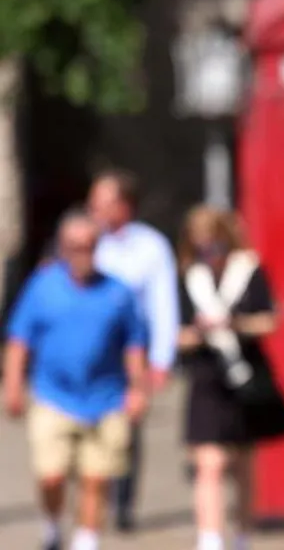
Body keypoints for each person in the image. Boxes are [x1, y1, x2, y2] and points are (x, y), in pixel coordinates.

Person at [2, 210, 148, 550]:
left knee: (95, 478)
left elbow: (134, 345)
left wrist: (138, 389)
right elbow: (19, 340)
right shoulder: (43, 286)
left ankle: (87, 538)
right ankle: (52, 523)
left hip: (106, 397)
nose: (83, 254)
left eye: (90, 246)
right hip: (54, 395)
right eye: (75, 247)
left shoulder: (118, 292)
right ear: (63, 248)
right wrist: (12, 385)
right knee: (51, 474)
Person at [176, 206, 284, 550]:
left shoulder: (248, 270)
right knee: (209, 463)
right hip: (206, 374)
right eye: (200, 243)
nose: (207, 250)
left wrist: (234, 324)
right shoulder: (189, 276)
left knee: (243, 462)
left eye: (212, 242)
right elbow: (173, 333)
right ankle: (210, 540)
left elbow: (270, 319)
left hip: (245, 373)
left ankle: (243, 534)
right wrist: (196, 333)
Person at [87, 167, 180, 531]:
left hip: (132, 350)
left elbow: (162, 304)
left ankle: (122, 503)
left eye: (103, 202)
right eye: (93, 201)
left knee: (125, 429)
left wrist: (161, 359)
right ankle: (93, 500)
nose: (94, 208)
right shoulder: (83, 239)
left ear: (124, 206)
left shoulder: (150, 246)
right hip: (91, 349)